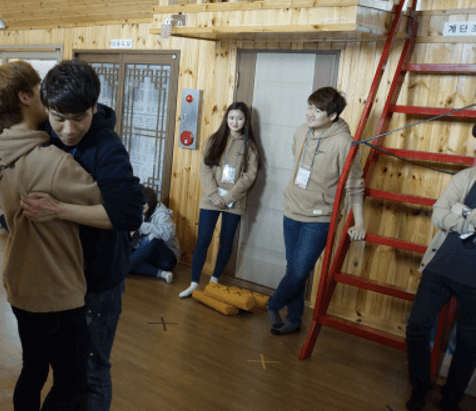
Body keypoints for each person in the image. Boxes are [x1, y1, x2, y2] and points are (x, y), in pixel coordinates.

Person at [0, 59, 144, 411]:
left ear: (94, 108)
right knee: (56, 374)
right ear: (43, 106)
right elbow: (11, 135)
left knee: (90, 373)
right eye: (59, 118)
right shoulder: (43, 134)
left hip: (97, 278)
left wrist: (60, 210)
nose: (68, 129)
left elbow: (129, 212)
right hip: (58, 279)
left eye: (79, 118)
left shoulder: (106, 147)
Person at [0, 60, 104, 411]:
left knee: (32, 371)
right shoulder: (52, 162)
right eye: (40, 89)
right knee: (70, 383)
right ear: (27, 97)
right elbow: (109, 203)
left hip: (19, 282)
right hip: (56, 287)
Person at [267, 87, 366, 335]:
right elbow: (298, 160)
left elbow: (355, 185)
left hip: (319, 218)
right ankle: (294, 320)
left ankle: (274, 303)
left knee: (300, 270)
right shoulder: (301, 131)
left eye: (318, 110)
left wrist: (360, 222)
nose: (310, 113)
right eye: (310, 107)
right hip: (292, 210)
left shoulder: (344, 143)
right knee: (294, 270)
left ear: (332, 116)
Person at [404, 156, 476, 411]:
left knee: (469, 343)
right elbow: (438, 214)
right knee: (417, 328)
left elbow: (451, 213)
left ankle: (451, 400)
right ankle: (420, 386)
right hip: (440, 268)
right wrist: (469, 222)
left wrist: (464, 211)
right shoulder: (465, 177)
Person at [180, 102, 259, 298]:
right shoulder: (214, 139)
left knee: (226, 241)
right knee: (203, 240)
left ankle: (214, 280)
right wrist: (214, 195)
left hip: (234, 201)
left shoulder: (250, 146)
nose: (235, 122)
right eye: (231, 118)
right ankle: (194, 283)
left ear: (245, 121)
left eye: (239, 118)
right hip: (211, 199)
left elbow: (249, 176)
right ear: (226, 118)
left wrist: (229, 197)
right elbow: (204, 168)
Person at [131, 187, 180, 284]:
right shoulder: (140, 211)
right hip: (150, 255)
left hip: (168, 258)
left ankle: (121, 266)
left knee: (154, 236)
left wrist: (140, 226)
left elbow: (167, 233)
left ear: (150, 201)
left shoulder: (162, 212)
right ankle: (161, 274)